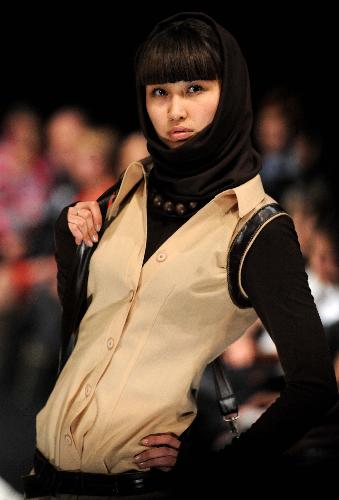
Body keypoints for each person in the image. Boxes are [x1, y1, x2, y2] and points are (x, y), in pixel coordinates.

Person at [24, 12, 338, 499]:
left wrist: (210, 475)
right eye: (159, 92)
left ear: (229, 91)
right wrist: (71, 241)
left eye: (195, 88)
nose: (175, 110)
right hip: (44, 477)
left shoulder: (257, 227)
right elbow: (85, 326)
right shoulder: (130, 189)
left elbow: (314, 385)